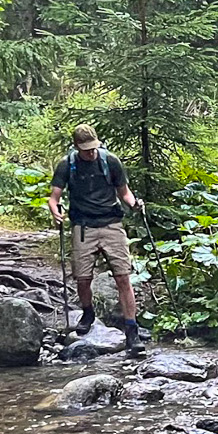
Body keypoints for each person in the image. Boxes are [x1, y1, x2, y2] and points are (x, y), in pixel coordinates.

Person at [47, 125, 147, 353]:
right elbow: (54, 197)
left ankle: (132, 330)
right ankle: (88, 311)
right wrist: (55, 211)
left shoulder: (110, 161)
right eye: (86, 150)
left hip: (111, 224)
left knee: (123, 277)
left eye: (93, 148)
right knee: (83, 278)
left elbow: (124, 192)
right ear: (76, 147)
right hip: (83, 227)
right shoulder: (67, 165)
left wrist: (134, 204)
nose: (91, 153)